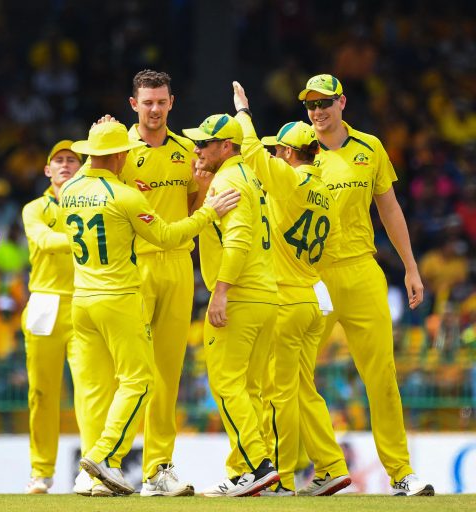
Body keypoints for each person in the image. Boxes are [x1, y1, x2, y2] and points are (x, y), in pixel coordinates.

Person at [62, 117, 240, 497]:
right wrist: (209, 211)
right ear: (120, 154)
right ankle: (103, 459)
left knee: (112, 381)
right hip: (124, 287)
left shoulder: (70, 190)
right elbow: (167, 235)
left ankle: (139, 469)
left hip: (84, 294)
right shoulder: (125, 195)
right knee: (138, 380)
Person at [298, 74, 434, 496]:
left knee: (382, 376)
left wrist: (410, 267)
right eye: (310, 105)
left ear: (341, 102)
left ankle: (401, 473)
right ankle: (312, 469)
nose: (317, 112)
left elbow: (390, 210)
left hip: (361, 270)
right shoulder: (298, 149)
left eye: (324, 103)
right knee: (289, 374)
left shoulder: (370, 147)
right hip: (312, 276)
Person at [233, 81, 349, 496]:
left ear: (287, 153)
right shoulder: (326, 194)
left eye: (277, 150)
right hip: (312, 297)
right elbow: (333, 248)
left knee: (278, 393)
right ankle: (332, 467)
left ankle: (279, 477)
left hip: (283, 299)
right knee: (304, 390)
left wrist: (243, 112)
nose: (274, 154)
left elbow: (250, 151)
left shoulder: (289, 181)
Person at [118, 69, 210, 497]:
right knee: (130, 373)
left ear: (171, 103)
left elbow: (194, 203)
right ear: (133, 104)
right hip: (134, 265)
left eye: (161, 102)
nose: (154, 110)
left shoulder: (186, 150)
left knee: (168, 374)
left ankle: (157, 470)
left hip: (178, 264)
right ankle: (107, 463)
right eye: (147, 102)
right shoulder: (118, 151)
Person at [182, 114, 280, 497]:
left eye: (203, 144)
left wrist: (220, 292)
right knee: (250, 389)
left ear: (226, 147)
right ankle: (248, 473)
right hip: (265, 294)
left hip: (239, 295)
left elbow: (237, 240)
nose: (196, 150)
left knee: (225, 384)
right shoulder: (250, 176)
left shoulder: (228, 181)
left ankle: (258, 466)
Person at [21, 140, 85, 494]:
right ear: (47, 170)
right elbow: (44, 240)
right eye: (58, 160)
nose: (65, 165)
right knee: (42, 393)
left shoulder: (93, 203)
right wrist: (88, 237)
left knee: (89, 391)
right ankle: (41, 471)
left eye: (72, 160)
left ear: (82, 168)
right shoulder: (34, 208)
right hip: (45, 301)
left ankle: (94, 467)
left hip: (84, 300)